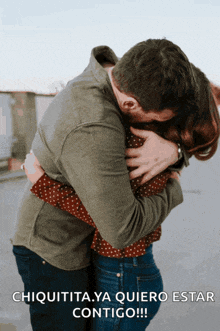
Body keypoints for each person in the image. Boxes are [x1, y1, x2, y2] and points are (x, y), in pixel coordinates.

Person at [12, 38, 212, 330]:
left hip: (93, 250)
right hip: (54, 252)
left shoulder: (124, 80)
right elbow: (122, 229)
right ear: (130, 104)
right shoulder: (94, 126)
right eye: (158, 121)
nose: (158, 129)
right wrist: (173, 191)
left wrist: (174, 151)